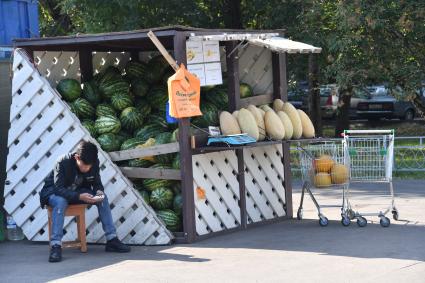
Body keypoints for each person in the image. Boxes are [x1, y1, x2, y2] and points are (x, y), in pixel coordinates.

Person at [39, 140, 130, 262]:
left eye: (89, 166)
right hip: (54, 193)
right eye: (84, 165)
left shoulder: (93, 162)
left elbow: (97, 183)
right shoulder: (62, 161)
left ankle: (112, 239)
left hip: (77, 191)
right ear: (76, 157)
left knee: (103, 198)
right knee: (61, 201)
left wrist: (99, 192)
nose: (87, 169)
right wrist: (79, 197)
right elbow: (58, 189)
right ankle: (56, 245)